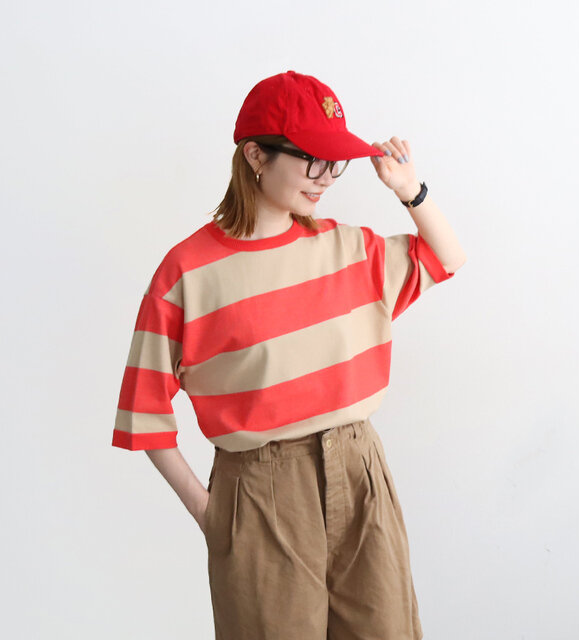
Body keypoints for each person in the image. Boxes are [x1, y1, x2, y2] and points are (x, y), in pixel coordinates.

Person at [112, 69, 466, 639]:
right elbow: (143, 413)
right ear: (256, 155)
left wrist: (410, 191)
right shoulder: (187, 273)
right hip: (259, 488)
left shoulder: (348, 249)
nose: (325, 178)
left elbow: (447, 257)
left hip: (360, 472)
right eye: (311, 160)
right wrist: (211, 515)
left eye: (335, 162)